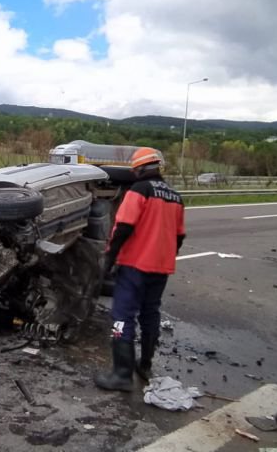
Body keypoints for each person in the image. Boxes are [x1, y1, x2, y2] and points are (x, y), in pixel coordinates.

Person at [94, 147, 185, 392]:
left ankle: (122, 374)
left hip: (134, 265)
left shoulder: (139, 190)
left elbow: (123, 226)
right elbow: (179, 236)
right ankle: (145, 365)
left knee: (121, 318)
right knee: (150, 314)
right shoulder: (175, 197)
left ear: (140, 169)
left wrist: (109, 259)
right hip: (161, 268)